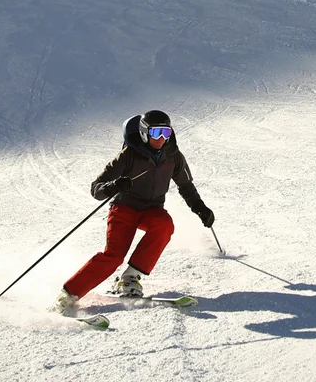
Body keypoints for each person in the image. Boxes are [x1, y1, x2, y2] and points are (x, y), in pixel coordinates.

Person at [55, 110, 214, 311]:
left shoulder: (172, 155)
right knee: (114, 256)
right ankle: (69, 294)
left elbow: (186, 186)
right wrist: (114, 186)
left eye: (166, 132)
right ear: (144, 133)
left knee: (164, 224)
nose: (162, 138)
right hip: (124, 209)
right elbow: (97, 188)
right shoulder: (128, 155)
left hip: (152, 210)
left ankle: (130, 278)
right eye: (156, 133)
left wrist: (200, 208)